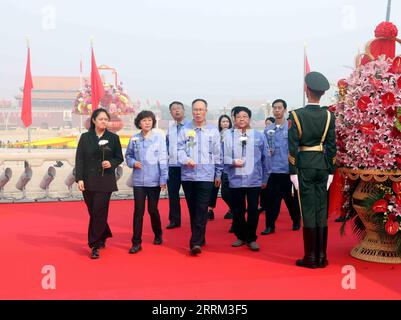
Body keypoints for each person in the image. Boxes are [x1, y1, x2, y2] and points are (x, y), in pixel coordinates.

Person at [288, 71, 336, 268]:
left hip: (305, 166)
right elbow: (332, 146)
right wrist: (331, 171)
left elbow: (292, 147)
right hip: (322, 166)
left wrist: (292, 171)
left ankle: (311, 258)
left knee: (308, 211)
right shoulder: (328, 115)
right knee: (321, 210)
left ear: (306, 90)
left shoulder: (296, 115)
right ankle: (322, 256)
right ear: (322, 93)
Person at [75, 108, 124, 259]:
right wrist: (80, 178)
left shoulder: (113, 138)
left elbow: (119, 157)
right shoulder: (85, 137)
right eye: (101, 119)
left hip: (105, 180)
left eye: (106, 119)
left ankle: (94, 245)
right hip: (88, 180)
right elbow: (80, 159)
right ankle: (104, 233)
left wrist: (111, 162)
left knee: (98, 211)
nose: (104, 121)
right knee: (94, 211)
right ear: (94, 120)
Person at [178, 99, 223, 255]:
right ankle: (200, 237)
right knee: (193, 209)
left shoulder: (213, 131)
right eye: (195, 109)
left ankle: (195, 242)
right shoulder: (184, 130)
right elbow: (178, 150)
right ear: (192, 111)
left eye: (201, 109)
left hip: (206, 176)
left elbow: (218, 154)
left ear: (206, 111)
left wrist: (218, 173)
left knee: (202, 208)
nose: (198, 112)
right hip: (188, 176)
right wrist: (185, 160)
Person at [223, 106, 270, 251]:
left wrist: (265, 179)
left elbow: (266, 158)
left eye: (244, 116)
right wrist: (232, 162)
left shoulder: (259, 136)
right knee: (237, 211)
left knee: (253, 210)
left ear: (249, 119)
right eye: (238, 117)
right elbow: (221, 157)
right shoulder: (228, 136)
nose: (241, 119)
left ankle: (251, 238)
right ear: (234, 119)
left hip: (254, 179)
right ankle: (240, 236)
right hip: (235, 179)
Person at [125, 110, 168, 254]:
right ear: (139, 123)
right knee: (138, 211)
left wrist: (163, 179)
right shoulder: (134, 139)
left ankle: (158, 233)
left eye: (149, 120)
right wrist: (133, 162)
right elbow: (128, 156)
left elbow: (163, 160)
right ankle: (136, 242)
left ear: (153, 122)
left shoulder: (159, 139)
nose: (147, 123)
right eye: (144, 120)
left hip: (154, 180)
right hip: (138, 180)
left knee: (152, 210)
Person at [261, 99, 301, 235]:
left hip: (287, 170)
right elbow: (263, 149)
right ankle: (270, 226)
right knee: (271, 200)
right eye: (275, 108)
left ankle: (296, 220)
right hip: (272, 170)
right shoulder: (267, 130)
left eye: (279, 108)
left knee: (289, 198)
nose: (277, 110)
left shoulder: (290, 128)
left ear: (284, 109)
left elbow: (297, 148)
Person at [207, 115, 234, 220]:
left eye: (227, 121)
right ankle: (210, 210)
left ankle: (233, 208)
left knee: (226, 192)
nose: (225, 123)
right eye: (223, 121)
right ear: (219, 123)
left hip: (229, 167)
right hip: (216, 166)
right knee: (213, 189)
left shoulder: (233, 135)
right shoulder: (216, 135)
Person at [166, 101, 186, 229]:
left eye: (179, 108)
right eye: (173, 109)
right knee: (173, 193)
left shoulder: (190, 126)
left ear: (184, 110)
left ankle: (196, 218)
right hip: (173, 166)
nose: (176, 111)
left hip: (187, 166)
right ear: (171, 112)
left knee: (191, 195)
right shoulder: (170, 128)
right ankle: (174, 219)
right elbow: (167, 146)